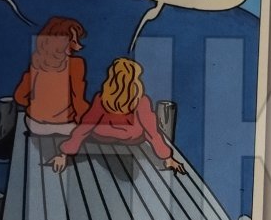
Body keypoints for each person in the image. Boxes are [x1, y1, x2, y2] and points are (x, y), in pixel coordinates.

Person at [50, 57, 185, 173]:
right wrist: (167, 157)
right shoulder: (141, 101)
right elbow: (152, 133)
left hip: (102, 139)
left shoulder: (101, 99)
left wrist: (64, 153)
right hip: (129, 142)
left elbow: (84, 129)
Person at [13, 16, 89, 135]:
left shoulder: (37, 62)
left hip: (34, 124)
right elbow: (78, 101)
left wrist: (39, 108)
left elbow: (19, 97)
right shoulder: (76, 64)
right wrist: (87, 121)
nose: (79, 47)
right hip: (65, 126)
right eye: (73, 41)